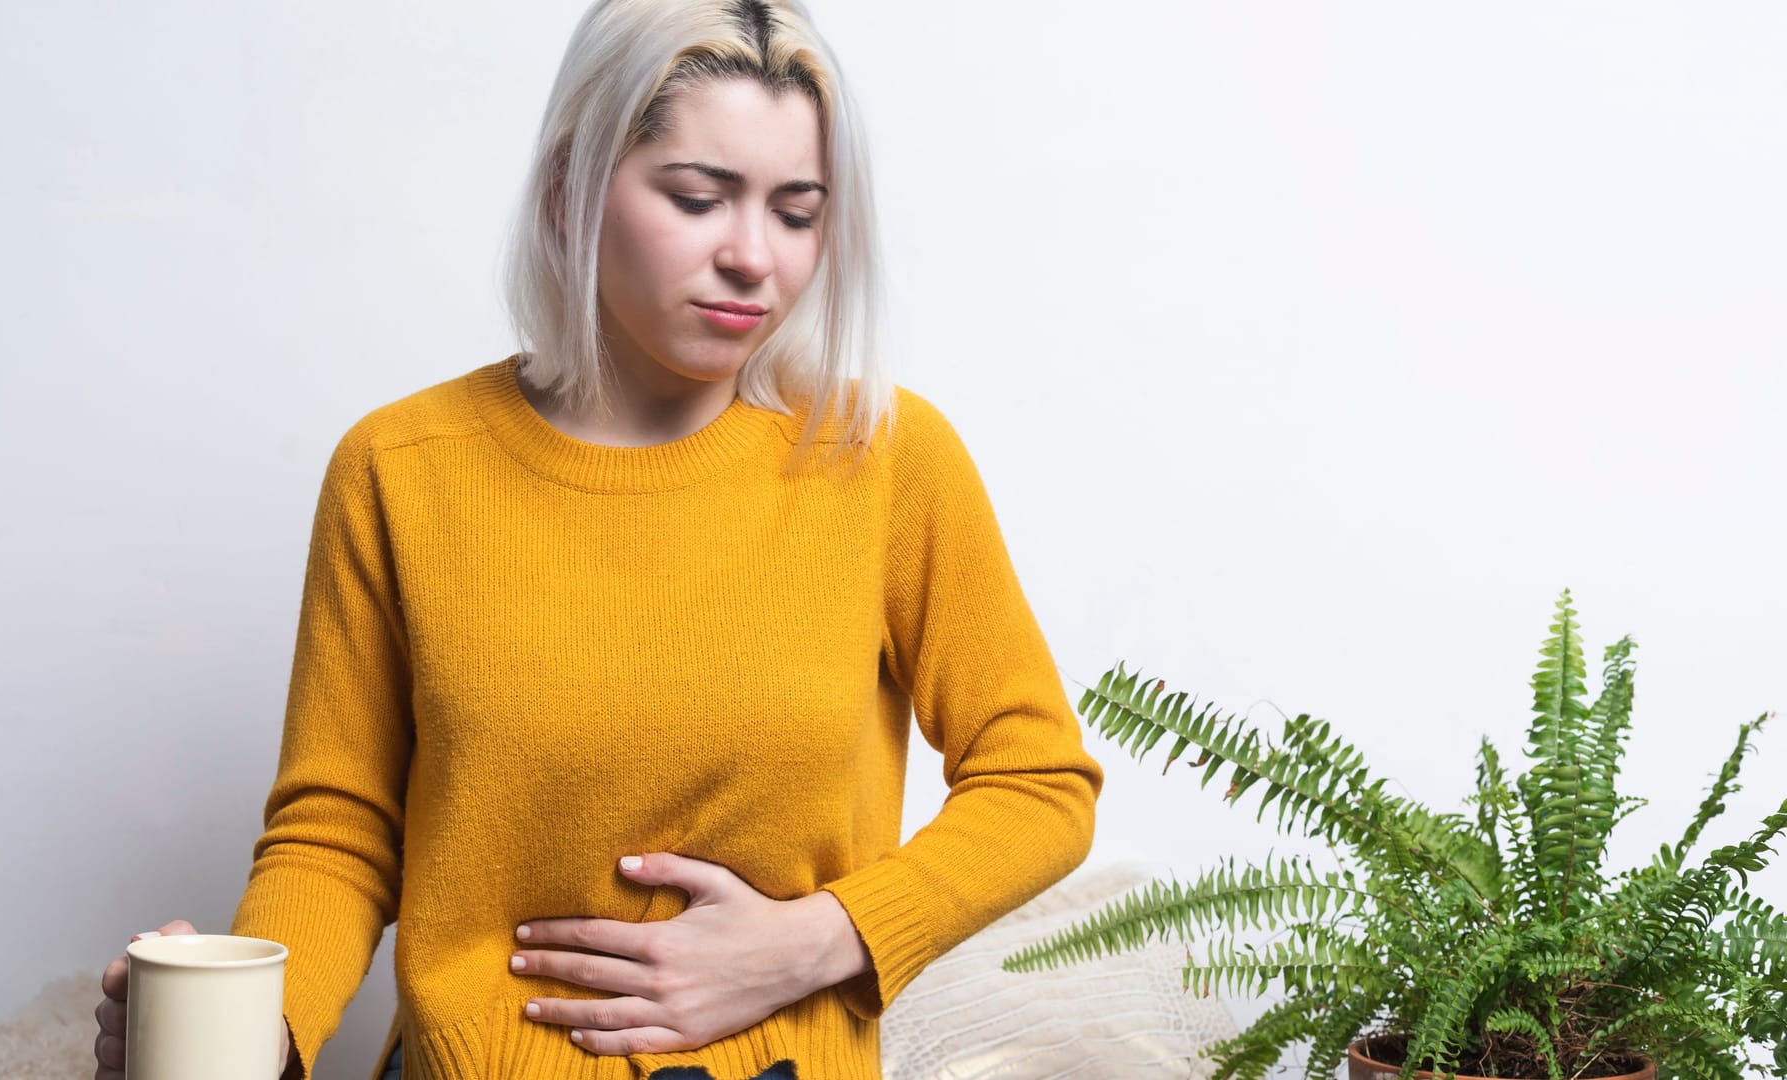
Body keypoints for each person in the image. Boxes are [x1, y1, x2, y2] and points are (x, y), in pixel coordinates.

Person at [93, 1, 1103, 1077]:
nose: (753, 257)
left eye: (798, 212)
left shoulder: (883, 459)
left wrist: (818, 941)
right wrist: (250, 1033)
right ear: (571, 186)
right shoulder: (401, 468)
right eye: (698, 198)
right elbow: (335, 832)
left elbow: (1039, 779)